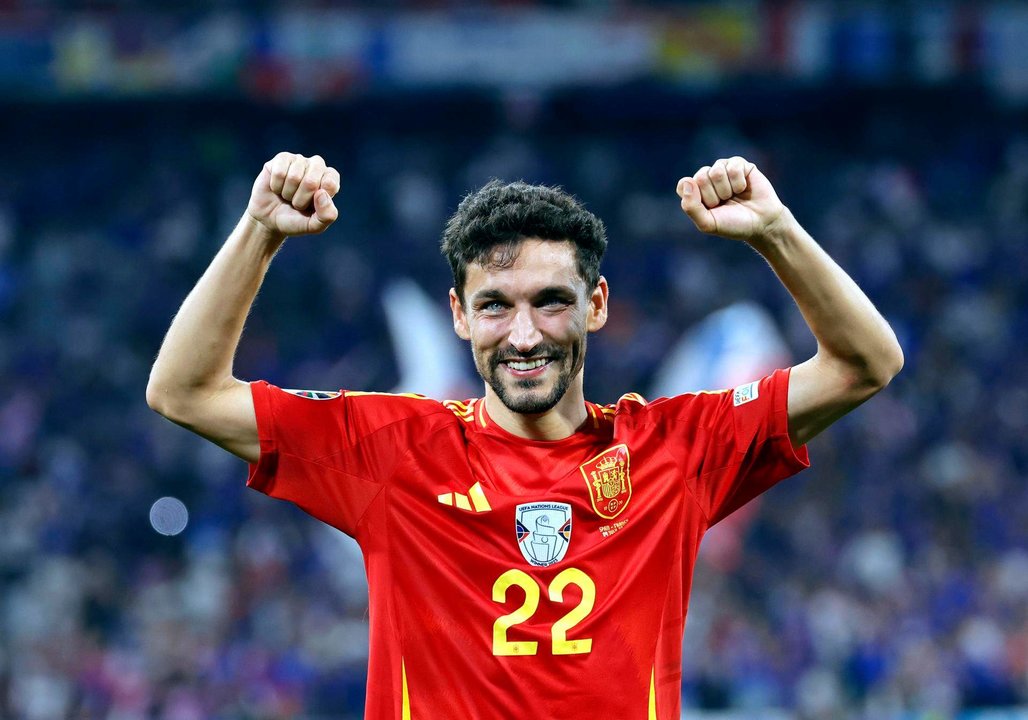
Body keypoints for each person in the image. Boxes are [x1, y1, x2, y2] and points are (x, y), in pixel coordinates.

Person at [146, 152, 903, 718]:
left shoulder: (676, 448)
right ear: (459, 315)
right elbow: (184, 391)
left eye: (551, 301)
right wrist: (258, 233)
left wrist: (775, 232)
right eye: (496, 305)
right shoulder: (390, 449)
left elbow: (866, 363)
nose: (525, 334)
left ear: (597, 304)